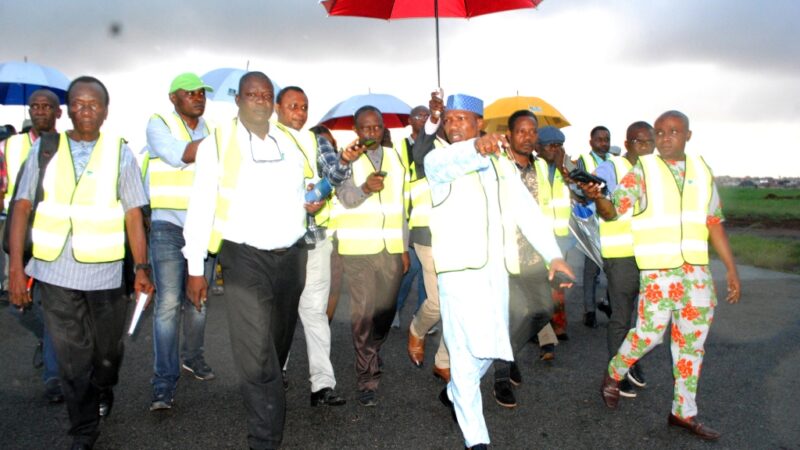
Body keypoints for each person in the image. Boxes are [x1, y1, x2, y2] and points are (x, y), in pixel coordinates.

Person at [8, 76, 154, 450]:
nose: (85, 110)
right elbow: (21, 206)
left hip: (105, 272)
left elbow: (133, 213)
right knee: (72, 360)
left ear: (105, 111)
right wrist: (14, 270)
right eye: (78, 103)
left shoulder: (118, 152)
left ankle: (104, 386)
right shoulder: (45, 148)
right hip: (54, 269)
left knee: (106, 355)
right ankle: (83, 430)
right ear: (67, 109)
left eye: (94, 104)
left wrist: (141, 268)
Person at [425, 94, 573, 449]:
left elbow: (526, 211)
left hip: (496, 272)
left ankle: (455, 392)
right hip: (458, 273)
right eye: (449, 120)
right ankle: (476, 441)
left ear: (480, 123)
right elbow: (453, 160)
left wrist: (553, 255)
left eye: (462, 119)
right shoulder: (439, 159)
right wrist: (476, 147)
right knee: (462, 354)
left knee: (494, 347)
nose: (453, 125)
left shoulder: (502, 165)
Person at [183, 71, 318, 449]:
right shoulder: (217, 144)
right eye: (251, 94)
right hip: (244, 258)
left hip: (291, 257)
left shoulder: (289, 141)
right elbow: (200, 207)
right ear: (238, 100)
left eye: (266, 94)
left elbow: (303, 190)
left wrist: (312, 200)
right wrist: (196, 270)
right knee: (255, 351)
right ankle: (264, 439)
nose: (259, 100)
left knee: (276, 346)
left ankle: (266, 389)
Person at [589, 110, 741, 441]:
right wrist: (597, 196)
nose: (665, 137)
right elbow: (614, 210)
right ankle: (614, 372)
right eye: (659, 132)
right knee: (649, 335)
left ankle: (682, 413)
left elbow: (713, 222)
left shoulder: (702, 171)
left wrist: (730, 268)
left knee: (691, 347)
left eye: (673, 131)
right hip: (659, 273)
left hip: (696, 275)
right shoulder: (644, 170)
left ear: (688, 135)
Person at [145, 72, 216, 412]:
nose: (198, 98)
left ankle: (193, 357)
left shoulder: (211, 131)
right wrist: (224, 140)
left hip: (202, 228)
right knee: (169, 304)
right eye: (190, 93)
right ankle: (163, 381)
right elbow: (181, 155)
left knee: (199, 300)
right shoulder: (158, 124)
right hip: (167, 227)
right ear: (173, 97)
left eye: (201, 93)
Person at [490, 111, 570, 409]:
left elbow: (545, 212)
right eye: (520, 131)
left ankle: (507, 352)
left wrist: (554, 254)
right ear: (508, 135)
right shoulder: (495, 167)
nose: (527, 136)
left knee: (543, 310)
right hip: (503, 255)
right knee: (507, 316)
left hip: (536, 257)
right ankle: (500, 378)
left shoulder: (542, 168)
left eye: (531, 131)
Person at [274, 86, 348, 406]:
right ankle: (276, 372)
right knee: (282, 313)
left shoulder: (314, 140)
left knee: (314, 312)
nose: (300, 113)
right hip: (280, 243)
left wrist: (323, 189)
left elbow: (335, 175)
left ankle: (322, 384)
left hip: (316, 238)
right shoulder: (265, 140)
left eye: (304, 107)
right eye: (293, 106)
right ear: (277, 108)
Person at [334, 105, 410, 407]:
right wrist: (365, 187)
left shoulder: (395, 157)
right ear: (356, 130)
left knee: (385, 312)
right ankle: (367, 376)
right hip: (358, 251)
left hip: (390, 249)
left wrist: (403, 248)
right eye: (365, 128)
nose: (371, 133)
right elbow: (346, 198)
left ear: (382, 128)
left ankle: (373, 349)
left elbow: (401, 207)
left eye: (376, 127)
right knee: (363, 315)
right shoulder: (346, 158)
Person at [1, 89, 64, 403]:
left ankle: (53, 377)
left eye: (46, 106)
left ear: (57, 113)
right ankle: (48, 340)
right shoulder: (11, 145)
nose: (40, 111)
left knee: (51, 308)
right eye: (35, 106)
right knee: (17, 307)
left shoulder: (65, 146)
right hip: (19, 234)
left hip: (51, 236)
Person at [593, 121, 656, 398]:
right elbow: (591, 191)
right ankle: (616, 374)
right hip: (620, 254)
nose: (644, 148)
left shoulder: (655, 171)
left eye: (649, 142)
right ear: (628, 143)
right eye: (639, 142)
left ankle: (630, 360)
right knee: (621, 315)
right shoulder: (612, 168)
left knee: (646, 317)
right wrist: (586, 190)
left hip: (650, 253)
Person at [408, 95, 451, 382]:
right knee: (437, 302)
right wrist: (433, 117)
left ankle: (444, 360)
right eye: (449, 120)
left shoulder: (471, 149)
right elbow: (420, 154)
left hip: (461, 236)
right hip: (428, 235)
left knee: (456, 304)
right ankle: (416, 330)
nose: (454, 125)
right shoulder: (429, 146)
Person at [534, 126, 575, 342]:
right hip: (537, 238)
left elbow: (580, 195)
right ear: (538, 147)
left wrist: (564, 170)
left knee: (558, 284)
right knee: (538, 285)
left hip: (561, 237)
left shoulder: (567, 167)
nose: (556, 150)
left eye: (560, 146)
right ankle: (540, 328)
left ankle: (558, 325)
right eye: (552, 146)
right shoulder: (530, 167)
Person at [391, 105, 429, 330]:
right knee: (410, 269)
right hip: (408, 212)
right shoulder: (400, 145)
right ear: (410, 120)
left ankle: (422, 317)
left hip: (428, 213)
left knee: (428, 271)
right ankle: (393, 308)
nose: (423, 119)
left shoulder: (437, 144)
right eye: (419, 116)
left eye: (427, 116)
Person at [577, 126, 613, 328]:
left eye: (606, 139)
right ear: (591, 141)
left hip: (610, 220)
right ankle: (589, 311)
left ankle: (610, 305)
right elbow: (577, 186)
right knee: (591, 270)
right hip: (591, 220)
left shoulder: (614, 161)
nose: (603, 143)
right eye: (599, 139)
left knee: (613, 270)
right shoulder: (584, 161)